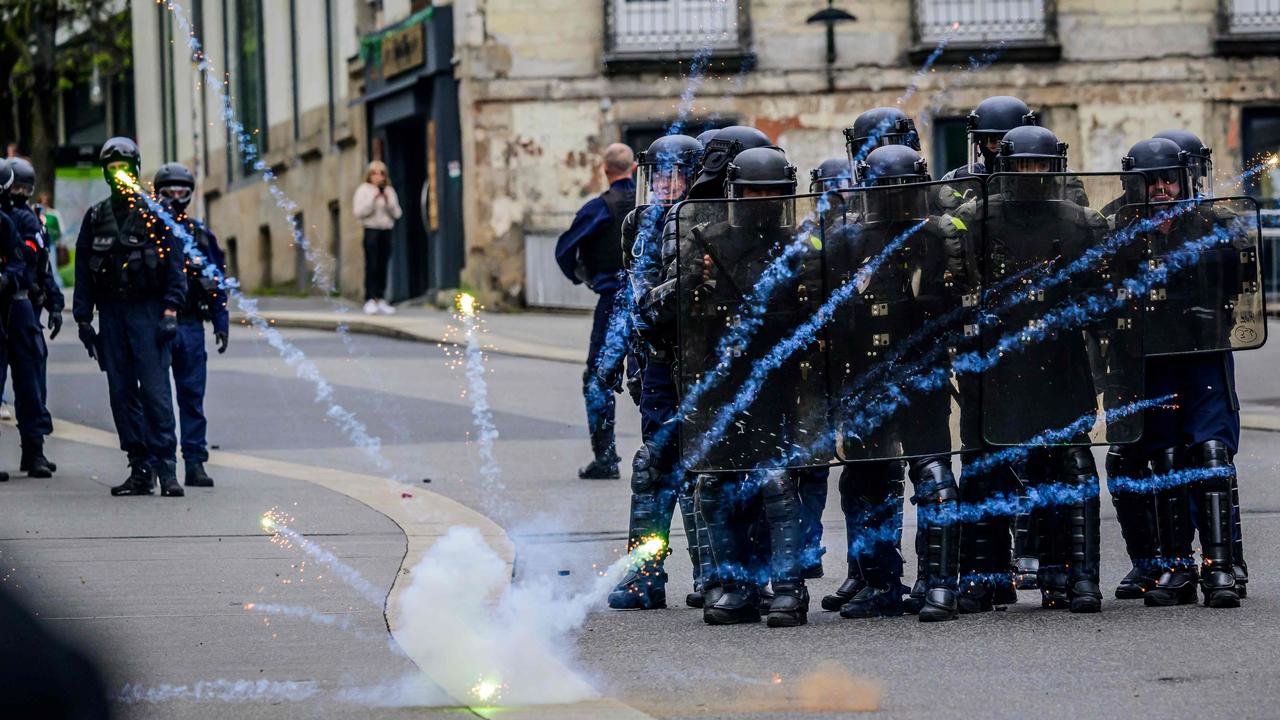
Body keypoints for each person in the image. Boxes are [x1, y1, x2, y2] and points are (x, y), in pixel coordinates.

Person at [945, 125, 1109, 613]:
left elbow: (1099, 295)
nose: (1032, 174)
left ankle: (1074, 576)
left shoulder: (1081, 221)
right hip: (996, 363)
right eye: (1024, 164)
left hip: (1060, 361)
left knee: (1070, 468)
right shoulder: (973, 219)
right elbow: (953, 289)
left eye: (1040, 164)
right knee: (984, 469)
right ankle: (982, 578)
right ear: (1007, 165)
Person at [1114, 137, 1245, 609]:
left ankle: (1222, 567)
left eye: (1168, 179)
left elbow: (1237, 284)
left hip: (1203, 354)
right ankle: (1176, 567)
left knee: (1210, 453)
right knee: (1165, 458)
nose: (1162, 189)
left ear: (1184, 179)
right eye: (1151, 182)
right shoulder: (1120, 231)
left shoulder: (1212, 224)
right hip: (1152, 360)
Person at [607, 133, 703, 610]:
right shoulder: (639, 221)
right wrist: (624, 355)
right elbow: (635, 294)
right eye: (660, 174)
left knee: (705, 470)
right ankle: (645, 574)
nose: (666, 184)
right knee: (654, 467)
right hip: (660, 361)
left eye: (677, 174)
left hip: (705, 361)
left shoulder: (712, 215)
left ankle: (715, 575)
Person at [73, 138, 186, 497]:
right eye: (112, 168)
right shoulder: (95, 217)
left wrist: (170, 310)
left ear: (136, 169)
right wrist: (83, 319)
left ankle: (167, 469)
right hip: (112, 315)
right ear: (106, 173)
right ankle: (140, 467)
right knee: (121, 394)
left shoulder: (156, 214)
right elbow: (82, 269)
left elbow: (174, 268)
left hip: (149, 314)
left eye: (124, 167)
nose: (119, 174)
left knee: (155, 393)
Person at [555, 143, 636, 480]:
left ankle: (606, 458)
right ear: (633, 169)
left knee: (598, 379)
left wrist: (582, 276)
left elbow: (564, 250)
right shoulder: (655, 205)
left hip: (615, 301)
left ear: (605, 169)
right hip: (660, 300)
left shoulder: (598, 208)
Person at [153, 162, 229, 488]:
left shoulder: (199, 234)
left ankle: (195, 462)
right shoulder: (148, 231)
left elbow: (216, 279)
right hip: (158, 324)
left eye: (181, 190)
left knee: (192, 396)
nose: (174, 196)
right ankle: (162, 463)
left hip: (193, 324)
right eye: (168, 190)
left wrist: (221, 321)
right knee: (158, 399)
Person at [1, 158, 58, 478]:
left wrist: (53, 300)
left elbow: (37, 263)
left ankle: (33, 450)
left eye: (25, 188)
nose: (19, 193)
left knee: (31, 382)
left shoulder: (26, 219)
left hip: (21, 305)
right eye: (16, 187)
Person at [352, 160, 401, 316]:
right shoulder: (364, 190)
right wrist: (373, 200)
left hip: (386, 229)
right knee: (371, 264)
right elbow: (359, 212)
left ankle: (381, 298)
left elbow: (397, 213)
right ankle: (370, 298)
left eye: (381, 173)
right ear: (369, 175)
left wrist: (387, 201)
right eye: (374, 173)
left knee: (383, 263)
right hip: (371, 229)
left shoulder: (389, 191)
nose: (378, 176)